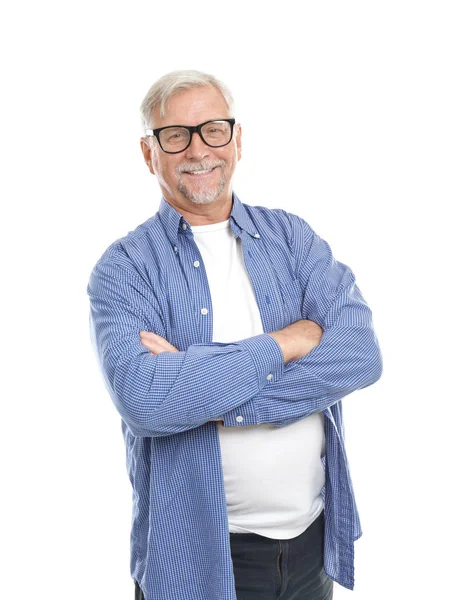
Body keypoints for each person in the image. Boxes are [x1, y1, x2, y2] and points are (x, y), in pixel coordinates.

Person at [87, 69, 383, 600]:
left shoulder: (291, 238)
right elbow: (145, 399)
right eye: (175, 135)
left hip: (311, 545)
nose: (198, 149)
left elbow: (360, 355)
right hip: (197, 557)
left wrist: (205, 388)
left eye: (214, 129)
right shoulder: (125, 268)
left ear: (237, 140)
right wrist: (288, 342)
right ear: (148, 153)